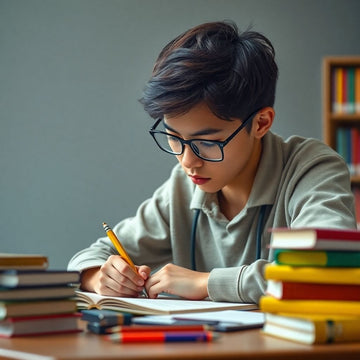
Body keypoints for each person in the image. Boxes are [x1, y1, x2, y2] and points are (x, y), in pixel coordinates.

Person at [68, 21, 356, 304]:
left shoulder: (312, 169)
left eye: (207, 142)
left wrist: (206, 282)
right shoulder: (182, 187)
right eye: (173, 137)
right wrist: (98, 276)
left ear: (261, 123)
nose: (187, 161)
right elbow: (90, 257)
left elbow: (326, 269)